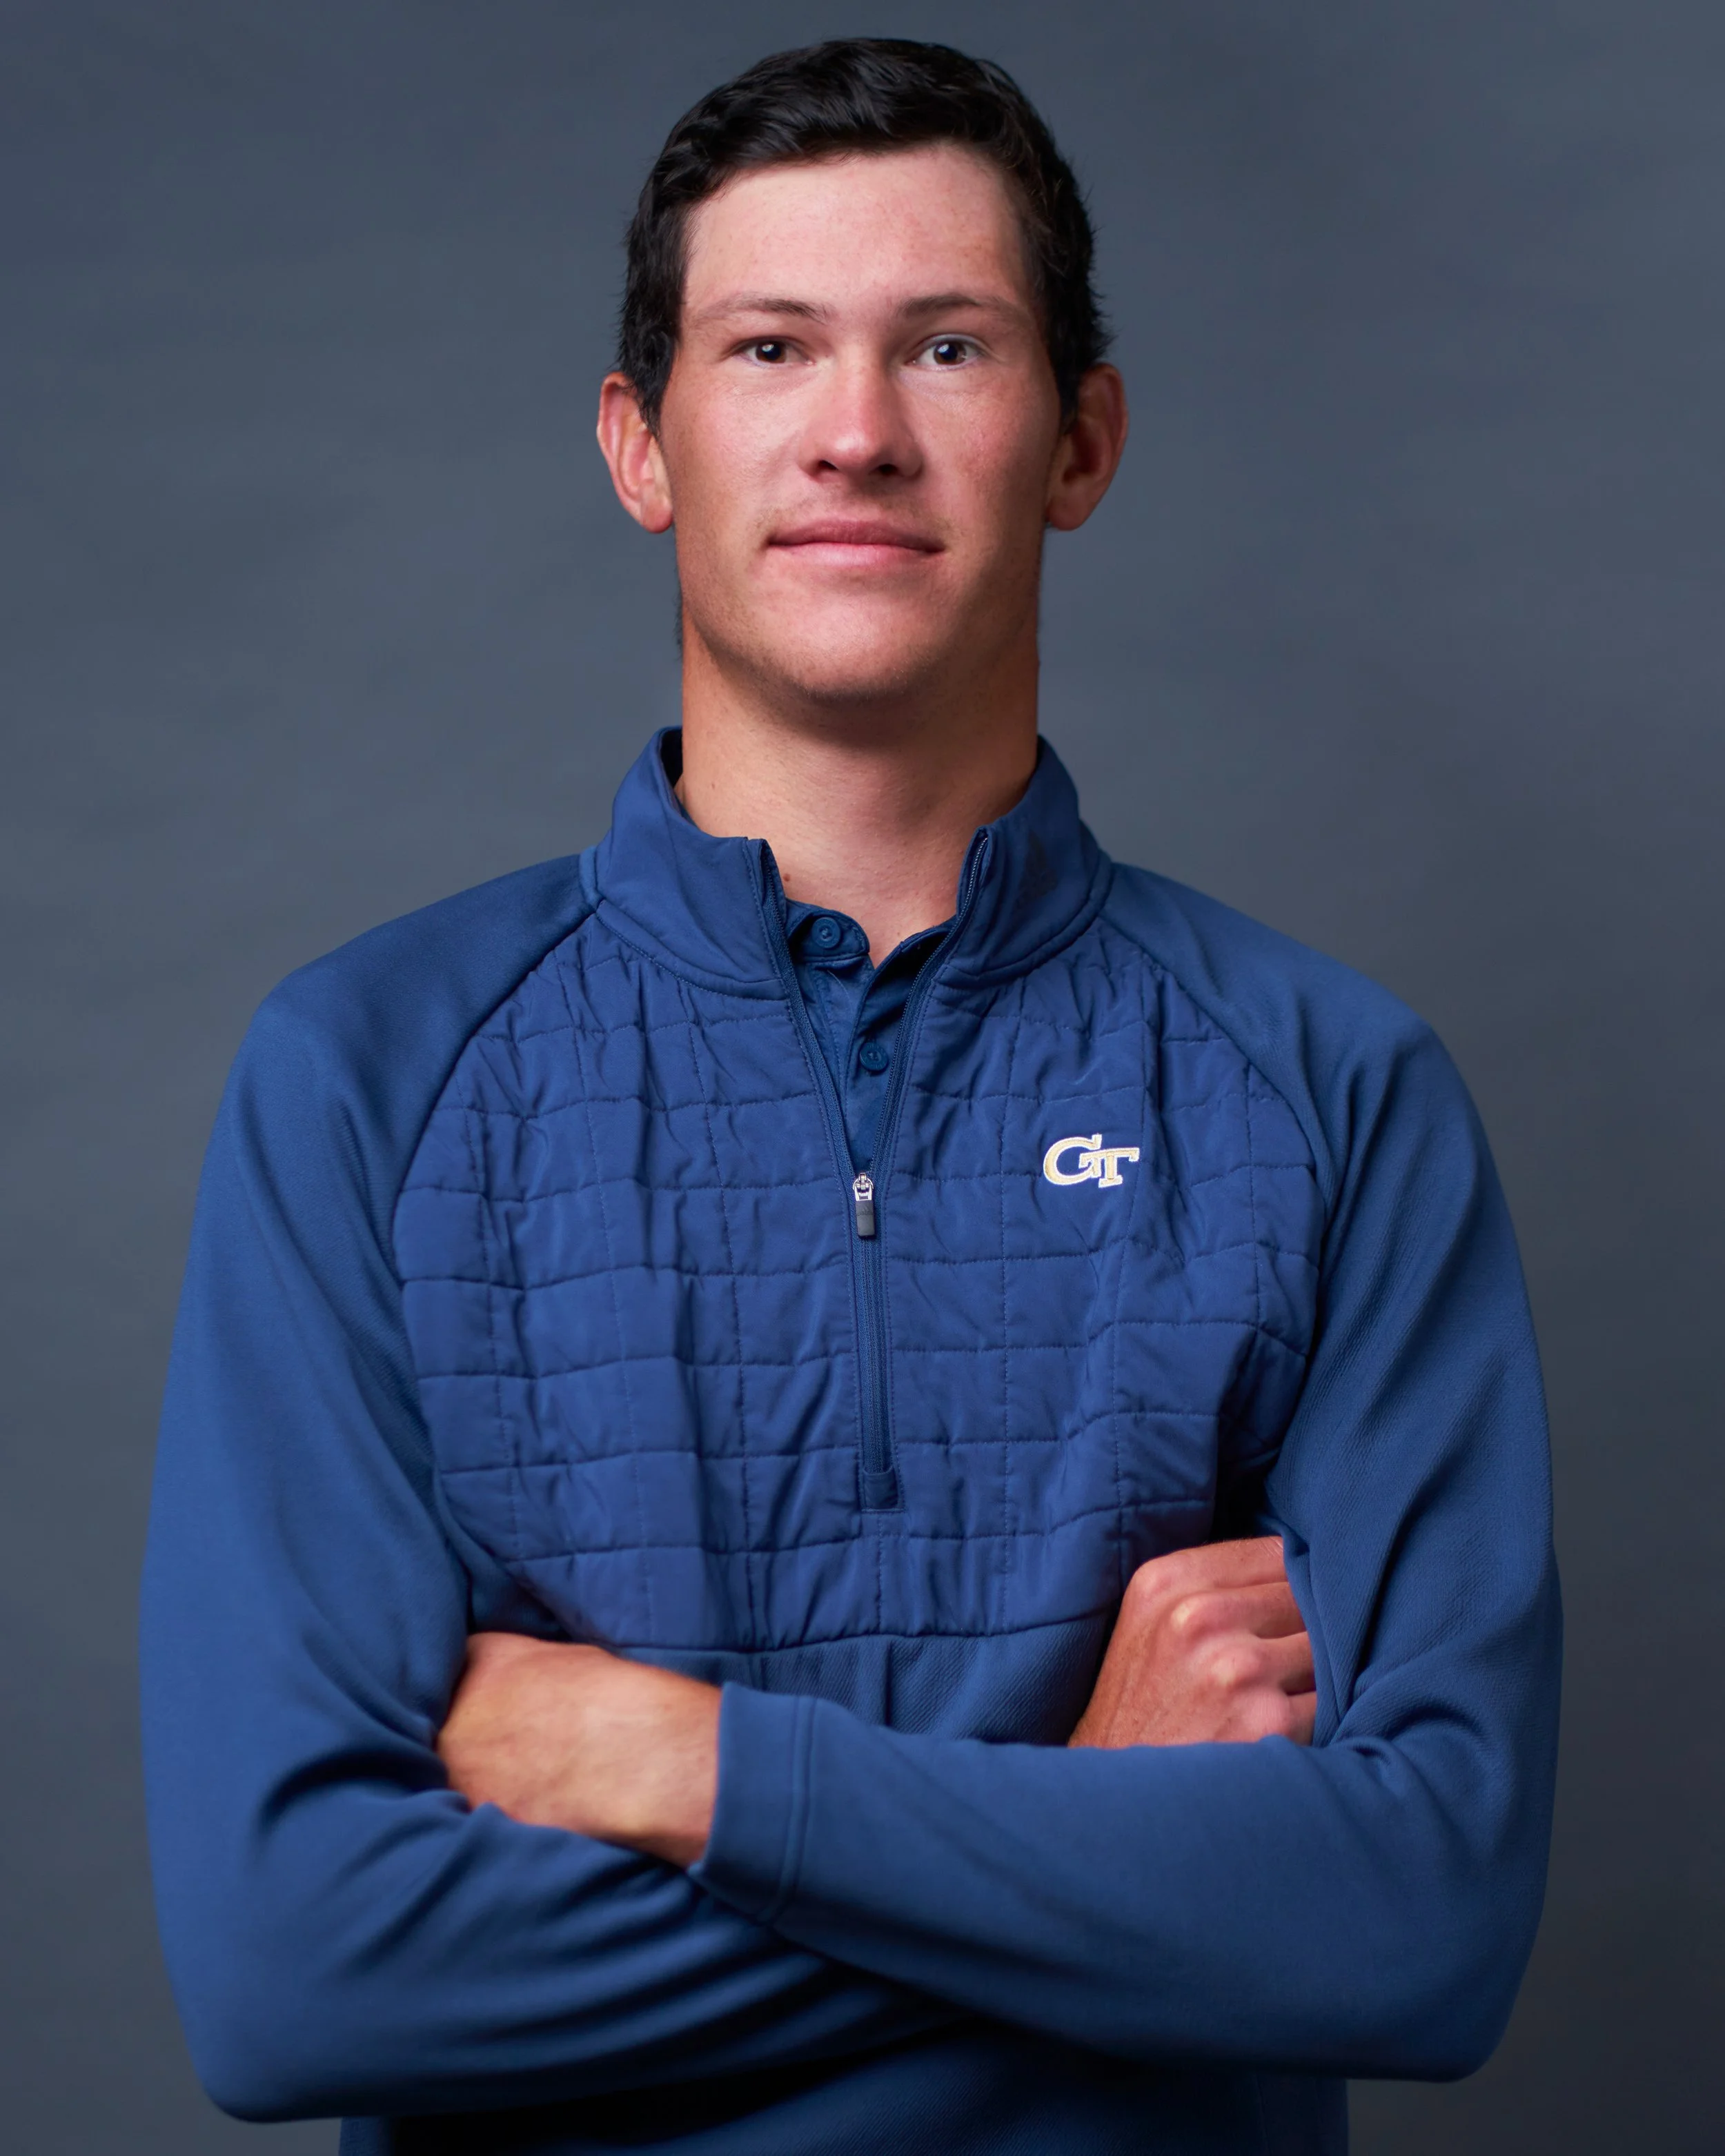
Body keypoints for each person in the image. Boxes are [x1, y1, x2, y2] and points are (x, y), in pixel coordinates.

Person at [141, 38, 1560, 2156]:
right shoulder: (364, 1077)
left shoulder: (1332, 1091)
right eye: (770, 346)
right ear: (642, 445)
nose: (857, 432)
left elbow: (1415, 1927)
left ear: (1079, 441)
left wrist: (682, 1767)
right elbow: (297, 1970)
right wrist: (1085, 1824)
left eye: (948, 345)